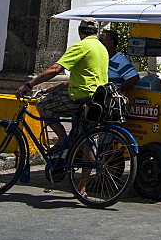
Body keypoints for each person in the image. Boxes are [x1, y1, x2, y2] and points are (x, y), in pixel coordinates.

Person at [16, 18, 109, 147]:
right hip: (97, 98)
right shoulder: (102, 48)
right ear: (97, 32)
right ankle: (88, 164)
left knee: (43, 104)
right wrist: (55, 88)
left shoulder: (81, 46)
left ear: (79, 31)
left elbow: (55, 69)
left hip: (80, 95)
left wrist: (29, 84)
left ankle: (62, 140)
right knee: (86, 137)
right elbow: (85, 76)